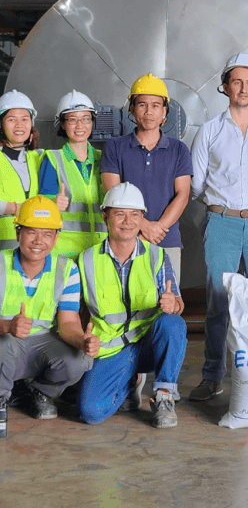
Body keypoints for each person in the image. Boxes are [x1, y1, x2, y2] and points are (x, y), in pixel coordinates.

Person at [189, 53, 248, 401]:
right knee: (218, 303)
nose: (243, 88)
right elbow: (197, 183)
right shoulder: (210, 131)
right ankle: (213, 376)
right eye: (236, 81)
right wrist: (221, 208)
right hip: (221, 223)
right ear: (225, 86)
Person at [78, 182, 186, 429]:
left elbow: (178, 302)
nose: (127, 221)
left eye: (134, 214)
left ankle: (164, 396)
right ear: (105, 217)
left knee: (172, 323)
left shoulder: (156, 256)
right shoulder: (86, 260)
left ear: (142, 218)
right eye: (119, 214)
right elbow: (77, 313)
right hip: (112, 349)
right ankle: (129, 380)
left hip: (149, 343)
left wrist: (174, 304)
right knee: (91, 413)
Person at [0, 196, 94, 435]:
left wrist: (82, 340)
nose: (38, 241)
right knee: (3, 345)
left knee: (80, 359)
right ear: (18, 231)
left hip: (41, 344)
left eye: (47, 234)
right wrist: (7, 326)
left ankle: (38, 392)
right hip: (6, 344)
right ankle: (2, 399)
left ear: (56, 237)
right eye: (31, 232)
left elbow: (68, 323)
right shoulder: (0, 264)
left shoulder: (67, 269)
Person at [100, 73, 193, 283]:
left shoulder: (179, 150)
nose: (149, 112)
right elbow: (112, 195)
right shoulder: (115, 147)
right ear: (132, 109)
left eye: (155, 105)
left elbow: (183, 194)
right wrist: (144, 227)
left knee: (167, 305)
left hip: (166, 240)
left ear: (164, 112)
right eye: (142, 104)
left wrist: (156, 229)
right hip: (125, 240)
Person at [39, 90, 107, 258]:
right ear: (62, 124)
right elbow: (41, 208)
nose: (80, 125)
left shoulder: (104, 158)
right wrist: (52, 203)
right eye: (72, 119)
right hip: (65, 252)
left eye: (85, 118)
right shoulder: (53, 159)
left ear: (92, 122)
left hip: (100, 249)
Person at [0, 90, 42, 251]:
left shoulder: (38, 158)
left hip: (35, 247)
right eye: (12, 119)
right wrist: (16, 208)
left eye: (25, 119)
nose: (19, 125)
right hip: (3, 245)